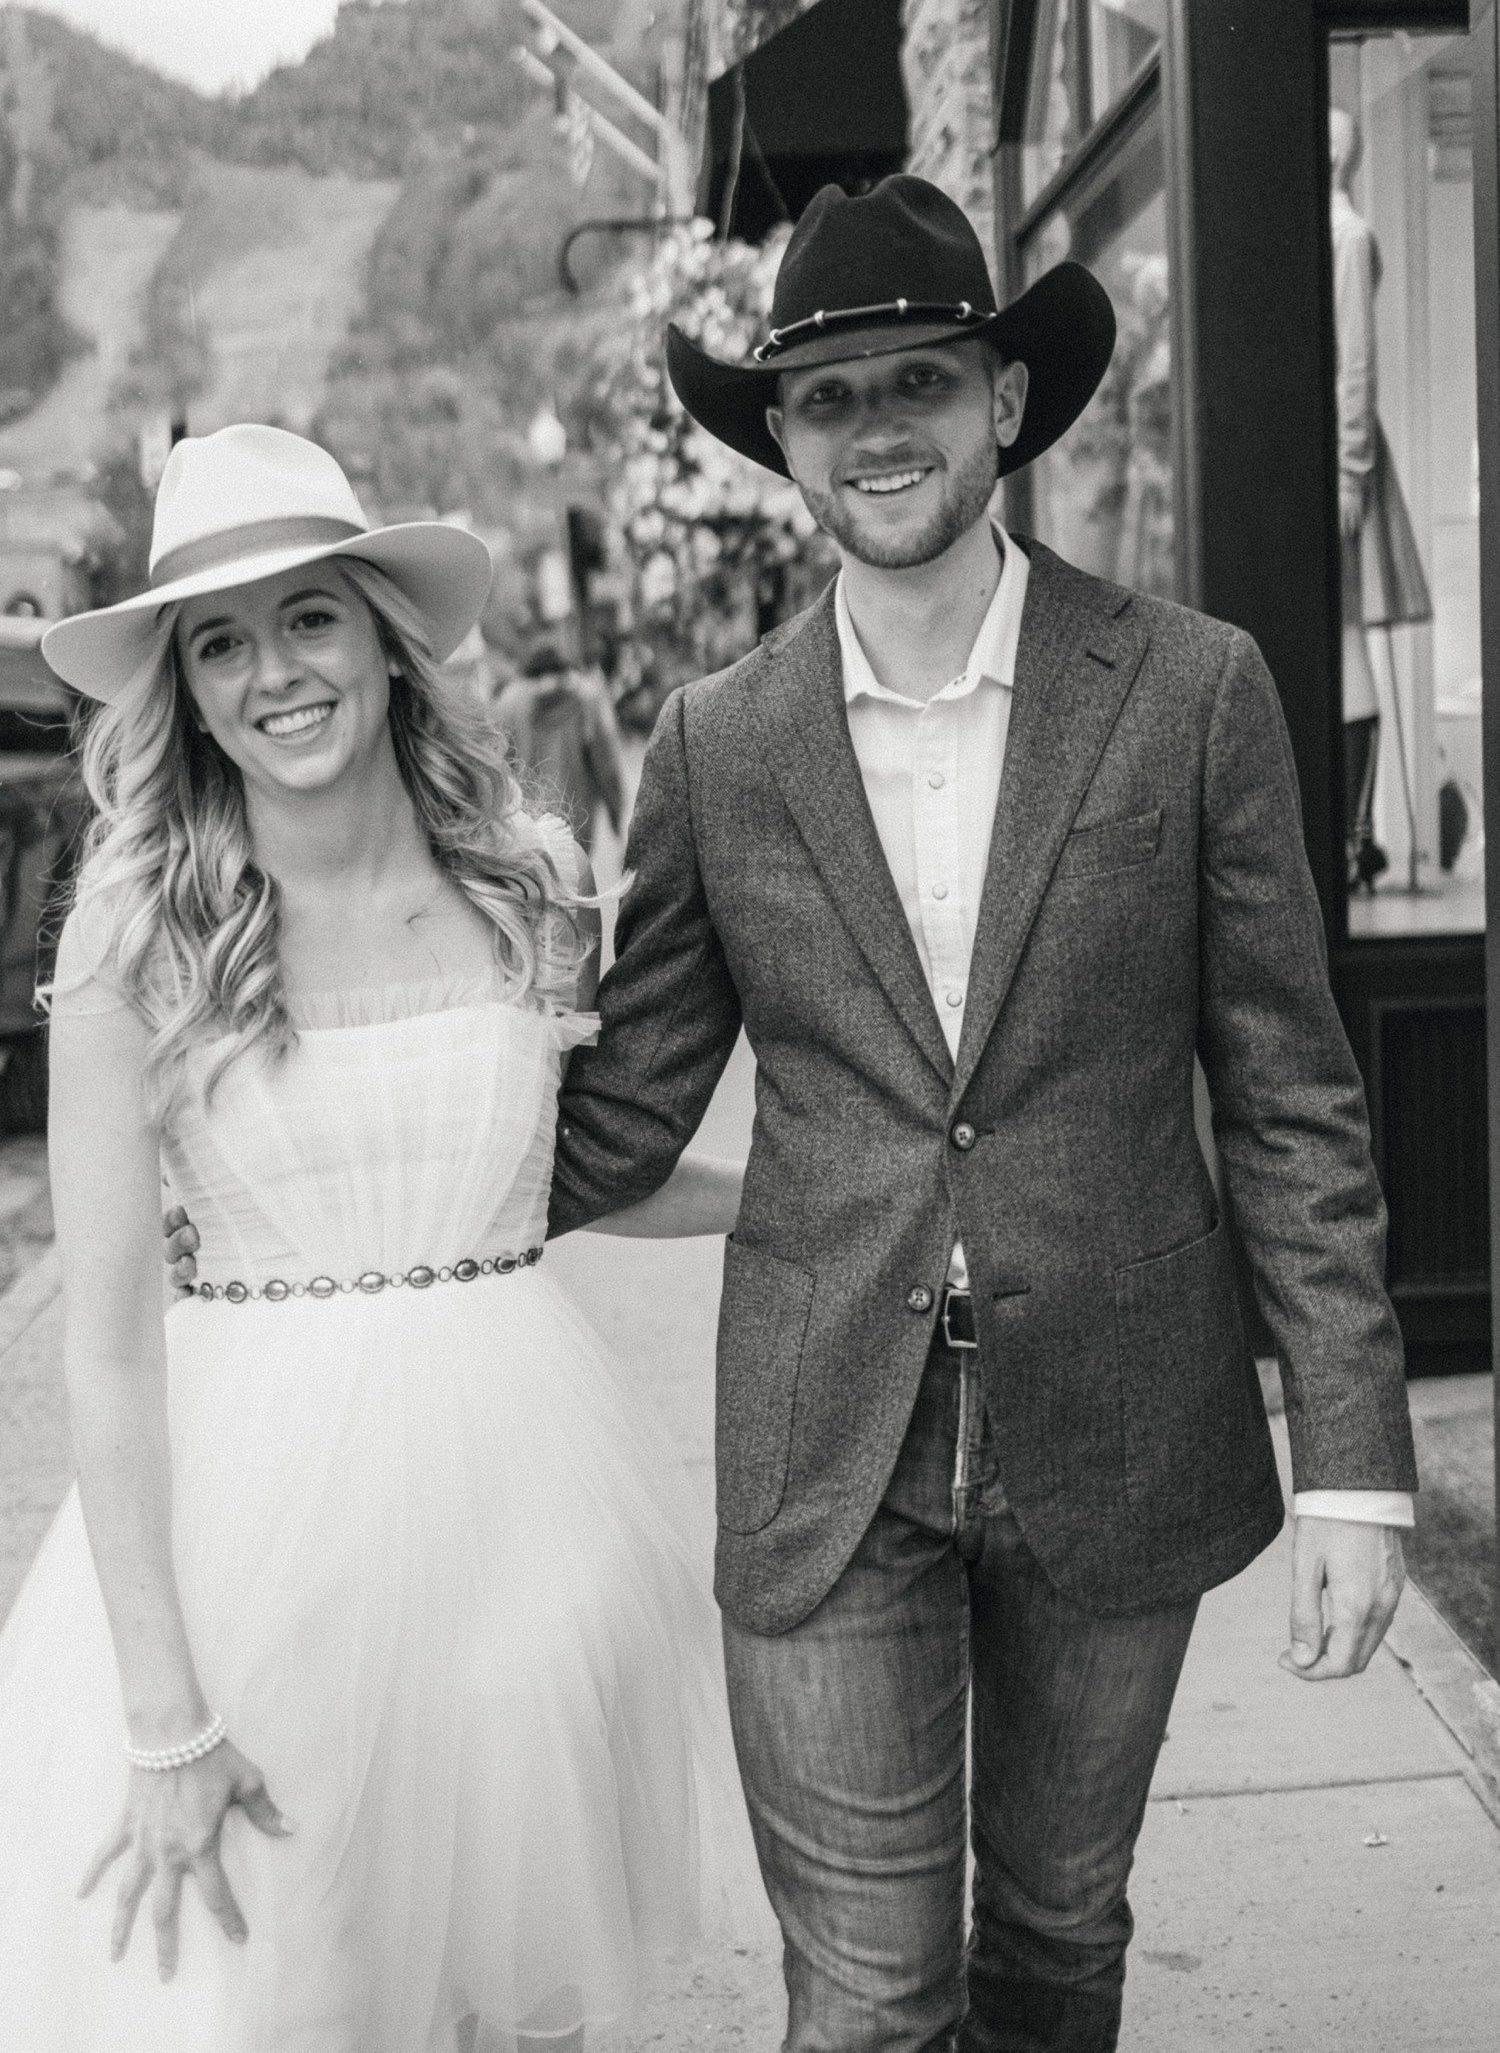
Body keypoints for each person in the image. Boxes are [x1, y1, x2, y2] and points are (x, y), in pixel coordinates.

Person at [539, 176, 1417, 2050]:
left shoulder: (1191, 692)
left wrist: (1352, 1454)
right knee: (864, 2002)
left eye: (921, 380)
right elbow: (621, 1109)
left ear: (1006, 403)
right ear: (781, 438)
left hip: (1121, 1415)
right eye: (833, 398)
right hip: (824, 1440)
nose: (882, 432)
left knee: (1054, 1942)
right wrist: (347, 1150)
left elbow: (1289, 1095)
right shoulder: (718, 743)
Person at [0, 423, 757, 2050]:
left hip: (530, 1525)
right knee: (299, 1991)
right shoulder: (136, 938)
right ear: (184, 689)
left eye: (311, 618)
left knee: (515, 1987)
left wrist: (808, 1194)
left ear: (384, 639)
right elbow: (109, 1343)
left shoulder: (525, 879)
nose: (275, 672)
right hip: (265, 1559)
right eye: (221, 640)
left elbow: (560, 1176)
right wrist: (161, 1712)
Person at [1329, 106, 1432, 894]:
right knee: (1340, 641)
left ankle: (1353, 838)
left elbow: (1356, 364)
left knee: (1349, 642)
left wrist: (1349, 471)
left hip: (1339, 458)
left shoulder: (1347, 235)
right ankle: (1346, 838)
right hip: (1328, 453)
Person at [494, 635, 627, 858]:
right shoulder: (587, 698)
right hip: (576, 828)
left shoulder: (508, 702)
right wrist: (617, 818)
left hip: (524, 830)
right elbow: (607, 764)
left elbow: (496, 767)